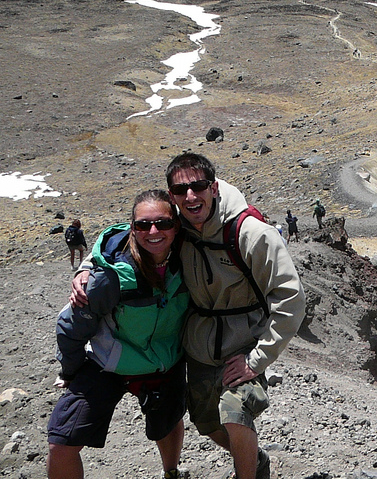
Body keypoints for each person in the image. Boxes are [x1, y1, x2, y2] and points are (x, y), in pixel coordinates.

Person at [72, 153, 305, 479]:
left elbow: (290, 299)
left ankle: (248, 473)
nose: (190, 196)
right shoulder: (173, 225)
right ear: (172, 196)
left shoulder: (251, 232)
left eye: (198, 186)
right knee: (206, 422)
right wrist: (86, 269)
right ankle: (254, 460)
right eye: (181, 190)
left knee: (234, 411)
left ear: (213, 186)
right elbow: (122, 238)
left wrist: (257, 359)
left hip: (242, 344)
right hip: (198, 347)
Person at [49, 191, 188, 479]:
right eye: (142, 225)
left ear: (176, 226)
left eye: (162, 224)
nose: (153, 232)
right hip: (107, 363)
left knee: (167, 422)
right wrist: (72, 373)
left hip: (165, 361)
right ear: (131, 228)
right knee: (62, 440)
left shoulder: (191, 260)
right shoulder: (111, 277)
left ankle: (171, 472)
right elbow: (70, 326)